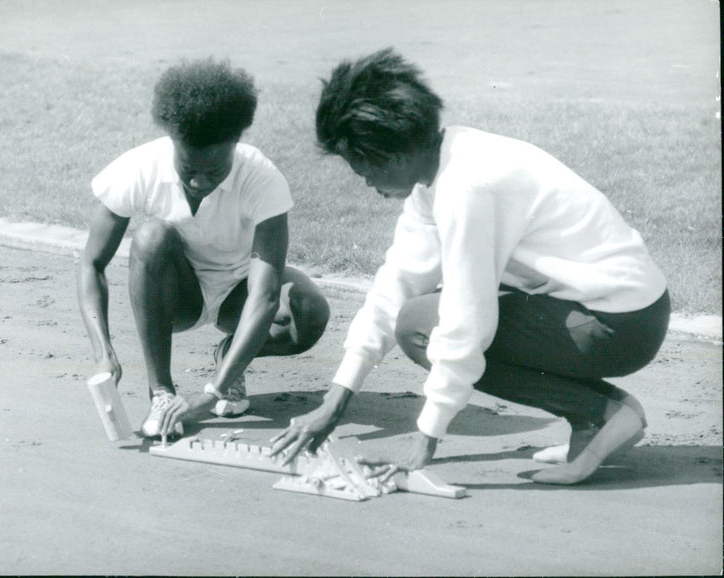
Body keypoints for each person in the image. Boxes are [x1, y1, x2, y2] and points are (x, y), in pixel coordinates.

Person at [270, 48, 670, 485]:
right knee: (416, 315)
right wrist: (335, 399)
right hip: (601, 310)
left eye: (361, 167)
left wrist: (424, 440)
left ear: (394, 155)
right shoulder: (440, 167)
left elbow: (466, 321)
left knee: (424, 326)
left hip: (621, 325)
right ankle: (598, 417)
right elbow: (397, 283)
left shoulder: (469, 187)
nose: (364, 182)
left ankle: (602, 415)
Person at [78, 58, 330, 440]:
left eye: (214, 172)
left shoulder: (261, 177)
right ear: (173, 145)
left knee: (308, 311)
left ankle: (230, 361)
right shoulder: (140, 167)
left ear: (235, 146)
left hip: (238, 296)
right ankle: (161, 392)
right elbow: (91, 264)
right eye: (188, 169)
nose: (199, 181)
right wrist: (103, 351)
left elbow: (263, 296)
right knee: (151, 237)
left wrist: (213, 391)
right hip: (177, 297)